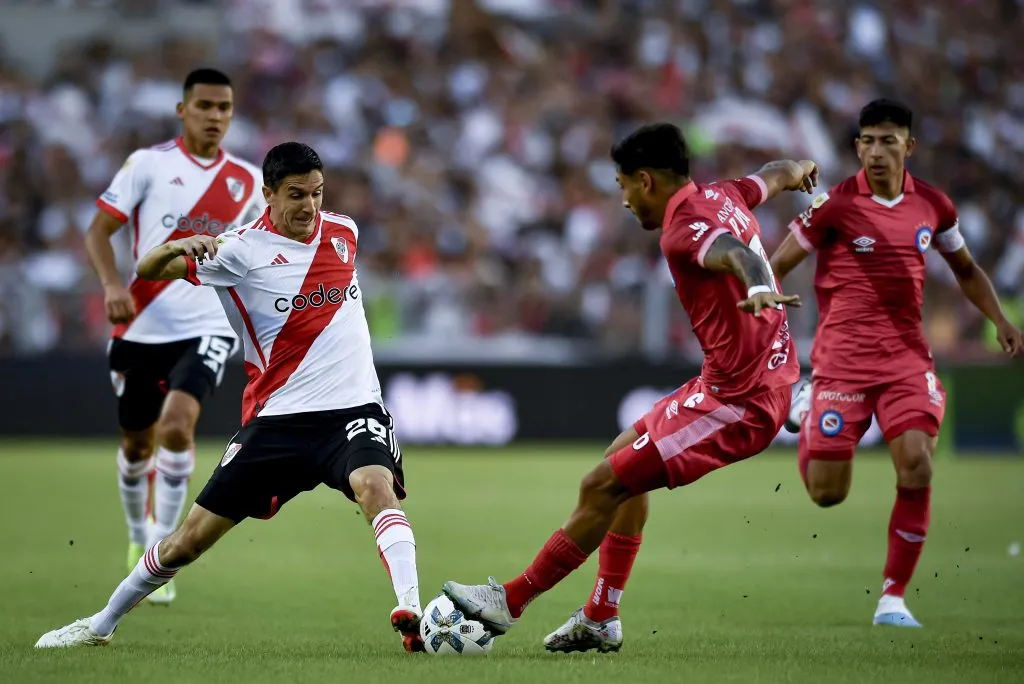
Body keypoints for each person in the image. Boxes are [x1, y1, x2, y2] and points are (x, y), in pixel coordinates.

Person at [442, 123, 817, 652]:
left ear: (646, 181)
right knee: (622, 461)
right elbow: (774, 174)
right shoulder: (723, 194)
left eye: (622, 186)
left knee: (602, 485)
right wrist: (800, 169)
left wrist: (758, 284)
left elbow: (739, 254)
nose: (622, 200)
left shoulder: (684, 226)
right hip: (730, 383)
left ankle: (510, 600)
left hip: (742, 400)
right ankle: (600, 617)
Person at [36, 142, 424, 653]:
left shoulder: (344, 232)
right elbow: (149, 270)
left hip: (352, 411)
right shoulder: (237, 251)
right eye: (295, 195)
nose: (308, 206)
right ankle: (100, 623)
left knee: (375, 485)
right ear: (267, 194)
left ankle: (413, 615)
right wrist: (182, 244)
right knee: (189, 540)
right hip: (278, 422)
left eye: (316, 192)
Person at [770, 99, 1024, 627]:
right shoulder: (834, 205)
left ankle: (892, 598)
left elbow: (966, 268)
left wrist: (999, 319)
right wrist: (761, 302)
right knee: (826, 494)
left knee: (917, 462)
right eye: (867, 140)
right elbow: (778, 264)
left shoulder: (933, 205)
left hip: (907, 360)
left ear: (909, 146)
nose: (877, 151)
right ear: (857, 147)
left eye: (889, 140)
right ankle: (809, 402)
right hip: (841, 363)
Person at [85, 68, 266, 605]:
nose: (215, 117)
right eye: (205, 106)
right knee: (137, 442)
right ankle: (137, 536)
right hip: (140, 322)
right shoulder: (148, 164)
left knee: (178, 426)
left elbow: (261, 251)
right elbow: (98, 230)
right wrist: (112, 283)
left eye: (224, 108)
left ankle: (160, 551)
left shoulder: (251, 181)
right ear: (182, 110)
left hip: (206, 324)